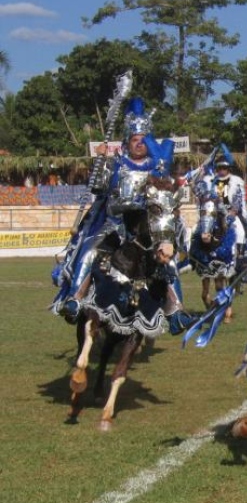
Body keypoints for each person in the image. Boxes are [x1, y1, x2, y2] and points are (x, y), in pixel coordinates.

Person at [51, 97, 191, 332]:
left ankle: (175, 310)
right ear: (127, 141)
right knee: (89, 252)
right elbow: (97, 188)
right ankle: (76, 299)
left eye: (143, 140)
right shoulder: (116, 164)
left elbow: (164, 197)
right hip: (114, 226)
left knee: (168, 262)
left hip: (146, 230)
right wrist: (101, 161)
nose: (139, 144)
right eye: (135, 140)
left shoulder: (156, 167)